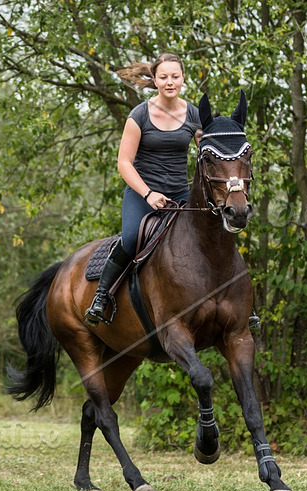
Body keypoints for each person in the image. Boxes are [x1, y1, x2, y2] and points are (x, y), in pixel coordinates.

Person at [85, 52, 202, 326]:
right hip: (142, 194)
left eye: (175, 76)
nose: (170, 82)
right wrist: (148, 193)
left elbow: (205, 152)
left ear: (183, 79)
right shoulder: (140, 114)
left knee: (210, 234)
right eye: (164, 77)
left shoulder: (194, 114)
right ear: (155, 80)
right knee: (130, 238)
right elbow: (124, 163)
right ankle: (101, 296)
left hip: (180, 195)